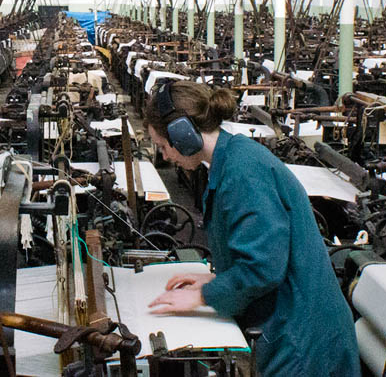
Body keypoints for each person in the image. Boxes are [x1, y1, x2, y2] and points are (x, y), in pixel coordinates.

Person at [144, 81, 360, 376]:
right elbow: (255, 251)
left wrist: (202, 296)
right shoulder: (232, 159)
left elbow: (263, 268)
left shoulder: (243, 172)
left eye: (162, 146)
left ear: (183, 135)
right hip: (293, 327)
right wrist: (212, 281)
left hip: (303, 341)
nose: (165, 156)